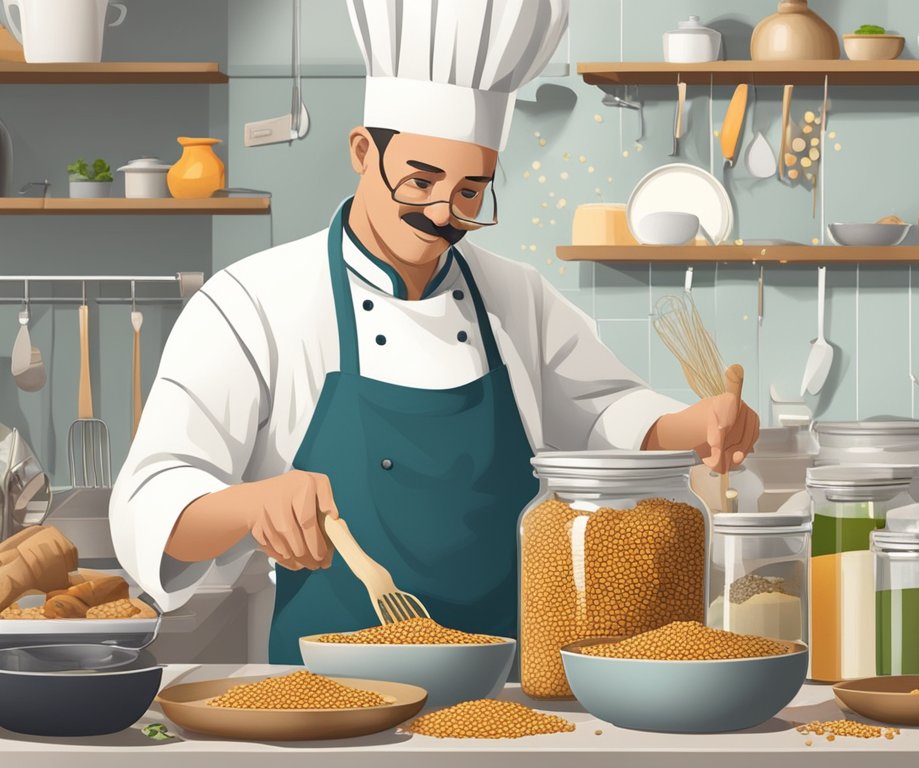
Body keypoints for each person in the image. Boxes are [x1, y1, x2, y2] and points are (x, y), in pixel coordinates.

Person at [110, 0, 758, 663]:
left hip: (509, 686)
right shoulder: (253, 302)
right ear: (363, 152)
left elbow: (601, 413)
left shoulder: (514, 294)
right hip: (330, 696)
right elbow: (149, 498)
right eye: (421, 182)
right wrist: (250, 506)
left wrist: (696, 425)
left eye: (471, 191)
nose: (444, 214)